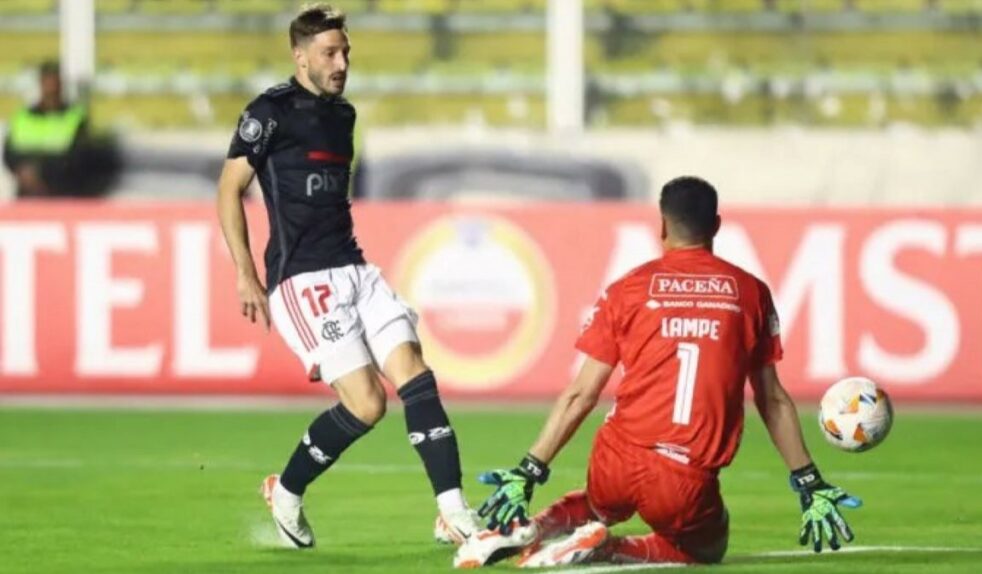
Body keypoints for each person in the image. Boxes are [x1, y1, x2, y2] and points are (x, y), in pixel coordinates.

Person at [462, 176, 861, 567]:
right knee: (706, 547)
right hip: (684, 478)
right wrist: (808, 481)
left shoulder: (628, 289)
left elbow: (581, 393)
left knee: (595, 503)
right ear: (716, 226)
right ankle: (609, 548)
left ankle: (532, 527)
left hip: (615, 457)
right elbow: (772, 399)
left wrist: (528, 470)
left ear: (662, 226)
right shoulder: (750, 292)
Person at [215, 4, 479, 549]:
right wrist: (246, 274)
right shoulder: (270, 112)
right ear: (300, 56)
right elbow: (228, 189)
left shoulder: (344, 116)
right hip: (301, 280)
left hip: (356, 270)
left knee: (415, 373)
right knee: (367, 404)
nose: (341, 63)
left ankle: (453, 513)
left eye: (346, 53)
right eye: (329, 53)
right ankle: (286, 491)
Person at [3, 61, 88, 198]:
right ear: (40, 84)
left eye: (54, 83)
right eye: (47, 83)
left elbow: (78, 158)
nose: (51, 89)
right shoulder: (22, 117)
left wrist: (42, 172)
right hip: (27, 195)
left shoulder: (76, 118)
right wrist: (25, 173)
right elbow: (9, 155)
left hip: (61, 194)